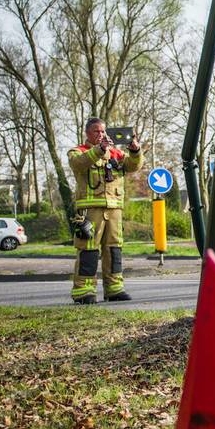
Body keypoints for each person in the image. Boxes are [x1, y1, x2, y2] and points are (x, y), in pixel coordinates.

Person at [67, 117, 143, 304]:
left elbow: (133, 166)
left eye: (103, 131)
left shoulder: (116, 153)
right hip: (89, 210)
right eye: (96, 131)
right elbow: (78, 164)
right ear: (87, 133)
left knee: (114, 249)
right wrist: (99, 150)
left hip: (114, 208)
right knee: (88, 250)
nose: (101, 134)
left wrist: (135, 151)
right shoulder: (78, 151)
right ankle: (83, 291)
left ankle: (114, 289)